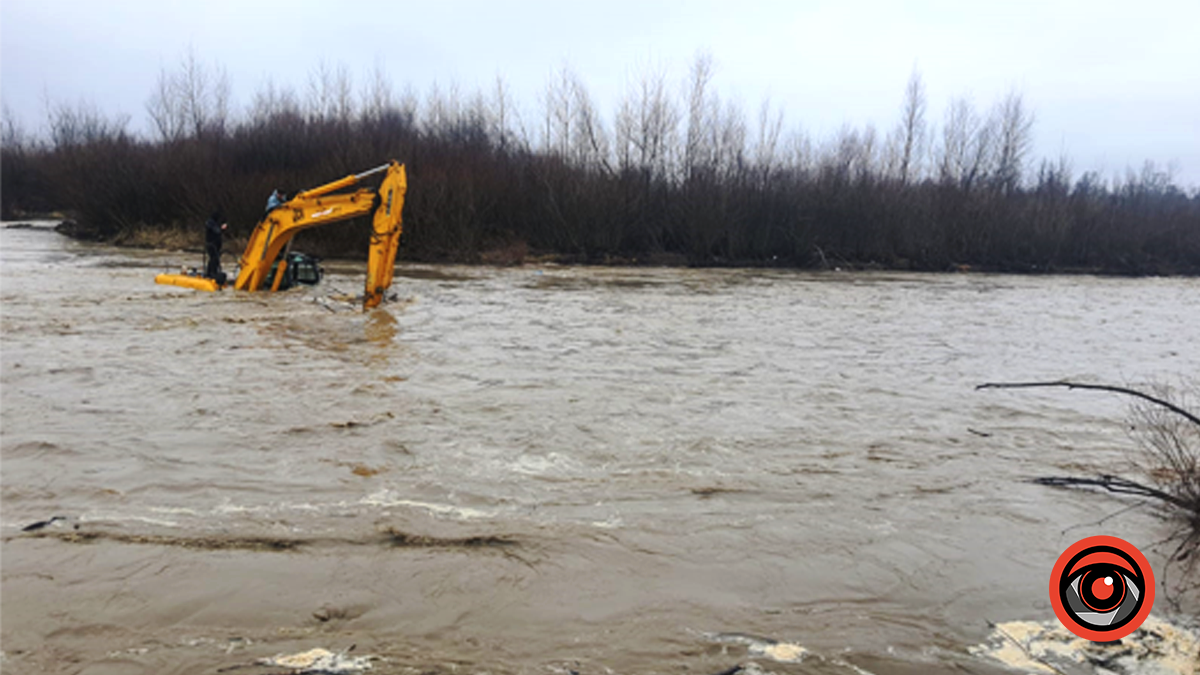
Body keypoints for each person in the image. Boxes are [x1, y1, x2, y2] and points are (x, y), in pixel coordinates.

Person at [204, 211, 227, 281]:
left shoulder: (214, 223)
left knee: (214, 258)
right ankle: (211, 273)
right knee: (214, 258)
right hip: (211, 245)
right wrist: (222, 228)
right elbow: (217, 231)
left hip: (215, 245)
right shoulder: (210, 223)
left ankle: (211, 272)